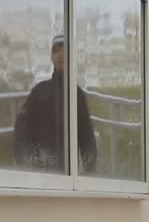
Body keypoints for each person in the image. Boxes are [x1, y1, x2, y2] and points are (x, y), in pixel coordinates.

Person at [14, 35, 97, 173]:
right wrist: (28, 160)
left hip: (68, 172)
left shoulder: (77, 95)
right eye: (56, 51)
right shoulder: (39, 91)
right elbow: (22, 130)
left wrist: (90, 168)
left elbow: (87, 136)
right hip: (40, 168)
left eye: (65, 50)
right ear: (52, 57)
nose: (60, 55)